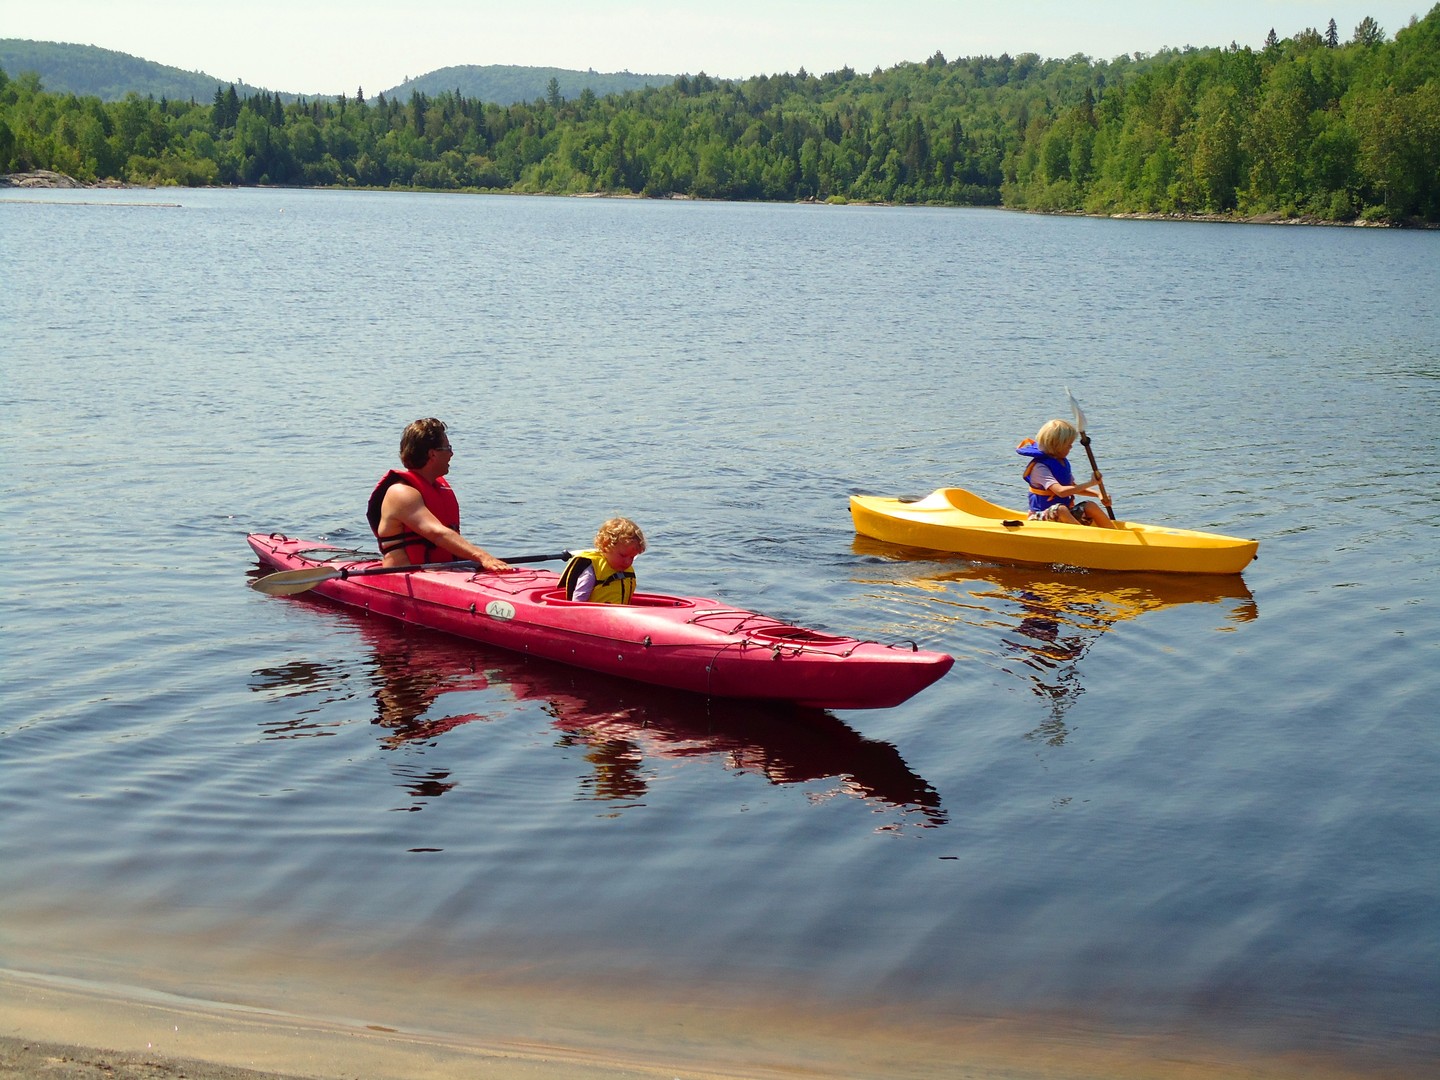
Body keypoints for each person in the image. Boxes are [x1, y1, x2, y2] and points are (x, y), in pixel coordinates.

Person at [366, 417, 514, 570]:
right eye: (448, 448)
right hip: (404, 577)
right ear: (432, 454)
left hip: (443, 572)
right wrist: (483, 557)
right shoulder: (401, 492)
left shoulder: (436, 487)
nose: (452, 454)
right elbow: (436, 533)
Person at [1016, 419, 1115, 528]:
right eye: (1068, 445)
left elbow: (1073, 488)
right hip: (1039, 518)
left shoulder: (1061, 462)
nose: (1071, 447)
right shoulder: (1040, 467)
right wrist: (1091, 483)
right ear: (1057, 446)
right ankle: (1083, 535)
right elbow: (1061, 492)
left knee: (1090, 506)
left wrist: (1098, 494)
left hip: (1063, 514)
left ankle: (1113, 532)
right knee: (1060, 509)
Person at [558, 518, 647, 603]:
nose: (627, 562)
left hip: (619, 612)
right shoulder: (593, 571)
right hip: (596, 613)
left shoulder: (626, 569)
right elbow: (579, 599)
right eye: (623, 556)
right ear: (605, 546)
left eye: (632, 557)